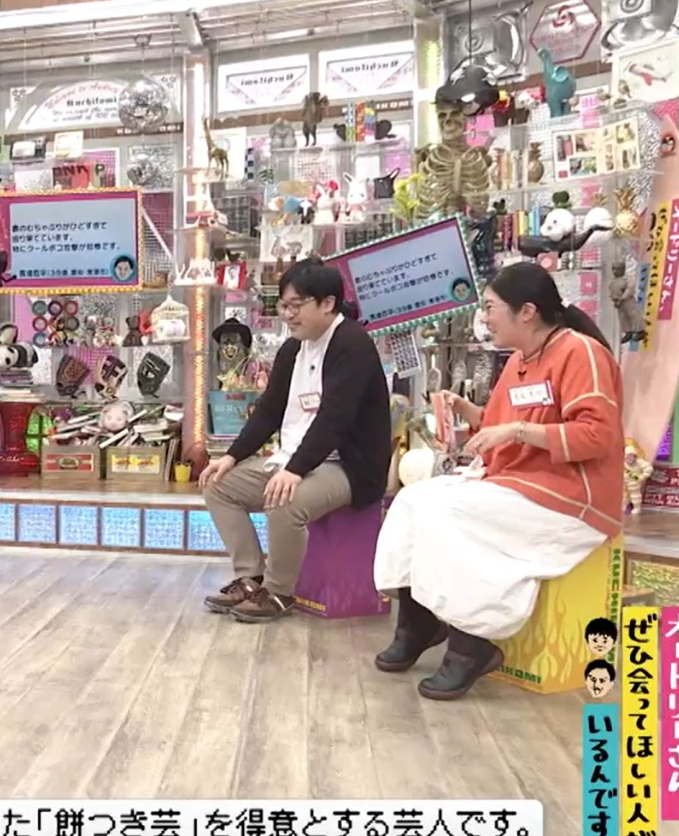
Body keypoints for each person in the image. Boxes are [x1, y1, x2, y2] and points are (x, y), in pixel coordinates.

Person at [373, 262, 623, 700]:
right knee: (412, 501)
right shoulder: (519, 362)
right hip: (517, 484)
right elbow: (499, 424)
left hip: (568, 499)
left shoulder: (581, 353)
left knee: (449, 513)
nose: (484, 318)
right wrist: (466, 411)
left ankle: (469, 648)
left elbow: (596, 435)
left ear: (526, 311)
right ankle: (418, 623)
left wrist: (517, 431)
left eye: (490, 308)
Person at [198, 258, 391, 622]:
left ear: (327, 303)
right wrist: (231, 457)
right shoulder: (292, 349)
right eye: (284, 306)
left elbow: (335, 418)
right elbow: (269, 411)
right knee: (218, 486)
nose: (287, 315)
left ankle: (279, 592)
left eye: (296, 306)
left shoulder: (352, 344)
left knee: (284, 501)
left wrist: (295, 470)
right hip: (295, 458)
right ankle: (250, 578)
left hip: (348, 466)